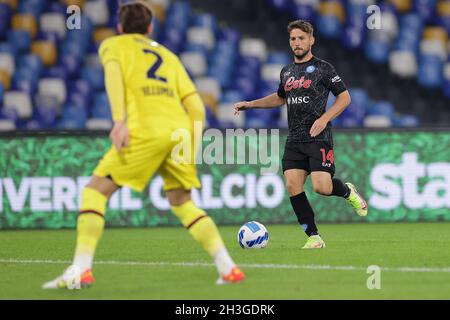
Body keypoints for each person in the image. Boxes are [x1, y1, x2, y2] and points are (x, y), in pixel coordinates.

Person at [43, 0, 244, 289]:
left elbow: (113, 77)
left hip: (147, 130)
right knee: (182, 202)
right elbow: (198, 108)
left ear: (120, 27)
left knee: (94, 193)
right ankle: (228, 268)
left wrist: (118, 120)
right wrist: (191, 145)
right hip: (180, 133)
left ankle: (80, 271)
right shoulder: (169, 56)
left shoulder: (114, 44)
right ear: (150, 28)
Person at [234, 20, 368, 249]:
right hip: (295, 139)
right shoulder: (287, 71)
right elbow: (280, 97)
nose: (297, 43)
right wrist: (251, 104)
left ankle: (347, 191)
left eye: (301, 38)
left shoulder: (324, 68)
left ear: (311, 40)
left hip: (319, 137)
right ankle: (314, 237)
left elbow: (345, 98)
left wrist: (324, 119)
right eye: (293, 39)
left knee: (321, 187)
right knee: (292, 186)